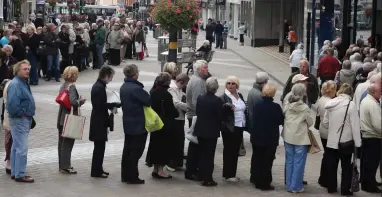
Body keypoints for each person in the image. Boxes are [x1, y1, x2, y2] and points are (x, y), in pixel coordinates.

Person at [323, 83, 361, 195]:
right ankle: (345, 189)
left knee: (332, 166)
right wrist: (358, 144)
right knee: (346, 167)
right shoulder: (351, 105)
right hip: (346, 142)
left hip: (331, 141)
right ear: (350, 93)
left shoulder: (330, 103)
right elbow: (355, 126)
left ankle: (331, 187)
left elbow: (325, 123)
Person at [120, 64, 151, 184]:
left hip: (128, 123)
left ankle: (125, 175)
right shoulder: (136, 89)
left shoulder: (124, 86)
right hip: (137, 124)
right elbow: (148, 101)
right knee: (136, 151)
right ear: (135, 74)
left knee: (127, 150)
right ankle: (132, 176)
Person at [250, 83, 284, 190]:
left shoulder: (258, 105)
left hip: (257, 136)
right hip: (270, 138)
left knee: (257, 158)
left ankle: (255, 179)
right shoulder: (276, 107)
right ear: (273, 93)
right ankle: (264, 183)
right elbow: (280, 121)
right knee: (267, 161)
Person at [7, 60, 36, 183]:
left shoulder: (22, 83)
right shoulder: (15, 84)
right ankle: (20, 174)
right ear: (17, 70)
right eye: (24, 69)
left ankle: (15, 172)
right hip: (20, 120)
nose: (27, 71)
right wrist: (22, 115)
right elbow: (12, 106)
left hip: (23, 119)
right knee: (22, 148)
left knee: (16, 147)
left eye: (28, 69)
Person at [146, 72, 179, 179]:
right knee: (163, 147)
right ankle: (160, 171)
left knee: (155, 145)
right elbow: (172, 111)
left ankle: (155, 169)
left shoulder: (153, 92)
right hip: (165, 125)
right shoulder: (166, 95)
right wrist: (177, 112)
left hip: (155, 124)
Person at [90, 66, 119, 178]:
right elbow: (100, 106)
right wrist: (113, 104)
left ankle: (98, 168)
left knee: (100, 147)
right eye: (111, 77)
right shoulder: (99, 88)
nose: (111, 79)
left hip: (99, 119)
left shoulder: (100, 86)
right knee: (99, 147)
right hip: (98, 121)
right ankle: (96, 171)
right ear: (106, 76)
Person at [283, 83, 313, 193]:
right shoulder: (305, 108)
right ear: (303, 93)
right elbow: (310, 122)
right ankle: (296, 186)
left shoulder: (287, 106)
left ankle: (289, 186)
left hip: (288, 137)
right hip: (301, 138)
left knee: (289, 161)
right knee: (299, 163)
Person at [194, 77, 223, 187]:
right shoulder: (217, 100)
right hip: (211, 132)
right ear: (216, 88)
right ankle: (208, 179)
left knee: (202, 154)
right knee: (209, 156)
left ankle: (201, 175)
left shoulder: (200, 98)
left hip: (201, 130)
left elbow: (198, 111)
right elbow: (220, 116)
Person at [57, 66, 85, 174]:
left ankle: (61, 165)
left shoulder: (63, 85)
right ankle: (66, 166)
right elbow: (73, 102)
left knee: (61, 142)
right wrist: (80, 101)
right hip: (69, 118)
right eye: (76, 74)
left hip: (61, 117)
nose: (77, 76)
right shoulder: (72, 87)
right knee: (68, 143)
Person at [185, 60, 209, 181]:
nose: (207, 69)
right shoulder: (198, 82)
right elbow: (196, 102)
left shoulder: (197, 79)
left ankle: (193, 168)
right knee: (195, 145)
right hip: (196, 116)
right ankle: (191, 170)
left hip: (194, 115)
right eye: (205, 68)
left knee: (195, 144)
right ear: (199, 69)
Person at [220, 76, 247, 182]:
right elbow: (221, 110)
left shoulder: (239, 95)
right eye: (228, 83)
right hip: (230, 127)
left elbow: (244, 108)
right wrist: (227, 107)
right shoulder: (224, 97)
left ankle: (231, 173)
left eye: (233, 83)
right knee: (229, 150)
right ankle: (228, 174)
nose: (230, 85)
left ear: (237, 85)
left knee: (235, 150)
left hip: (240, 126)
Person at [360, 73, 382, 193]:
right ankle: (369, 184)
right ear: (374, 92)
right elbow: (378, 124)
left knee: (367, 162)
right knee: (372, 164)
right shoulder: (373, 104)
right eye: (379, 92)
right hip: (373, 137)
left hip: (367, 136)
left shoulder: (366, 100)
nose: (381, 94)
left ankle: (367, 182)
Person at [315, 80, 337, 188]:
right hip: (329, 131)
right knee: (330, 156)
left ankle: (323, 178)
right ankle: (326, 179)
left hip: (322, 130)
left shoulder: (321, 100)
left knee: (326, 155)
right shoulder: (330, 102)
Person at [167, 73, 189, 171]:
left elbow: (183, 96)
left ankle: (178, 162)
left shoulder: (179, 89)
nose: (184, 87)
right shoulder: (172, 89)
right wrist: (188, 107)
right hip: (175, 118)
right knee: (175, 141)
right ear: (180, 82)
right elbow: (175, 102)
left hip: (180, 118)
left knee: (180, 140)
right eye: (184, 85)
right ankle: (171, 163)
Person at [2, 61, 14, 175]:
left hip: (9, 118)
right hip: (11, 118)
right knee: (10, 141)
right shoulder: (11, 85)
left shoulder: (9, 84)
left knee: (9, 140)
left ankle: (10, 162)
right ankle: (9, 163)